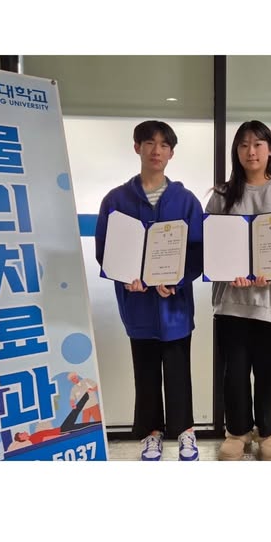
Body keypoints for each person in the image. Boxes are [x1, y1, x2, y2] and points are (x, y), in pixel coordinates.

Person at [95, 120, 203, 461]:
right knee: (145, 372)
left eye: (164, 145)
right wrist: (125, 276)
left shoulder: (186, 201)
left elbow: (198, 252)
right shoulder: (116, 200)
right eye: (149, 143)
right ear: (137, 147)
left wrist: (178, 280)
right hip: (138, 303)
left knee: (178, 370)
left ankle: (185, 431)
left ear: (171, 153)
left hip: (175, 306)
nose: (156, 150)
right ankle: (151, 433)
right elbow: (105, 249)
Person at [205, 120, 271, 461]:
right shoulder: (222, 195)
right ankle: (237, 432)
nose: (251, 151)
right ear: (236, 151)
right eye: (244, 145)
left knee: (268, 373)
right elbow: (211, 245)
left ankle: (268, 432)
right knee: (233, 374)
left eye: (258, 144)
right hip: (232, 303)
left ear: (270, 149)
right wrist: (226, 270)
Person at [9, 393, 99, 449]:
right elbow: (46, 439)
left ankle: (86, 395)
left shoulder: (33, 436)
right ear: (22, 439)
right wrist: (63, 435)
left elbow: (47, 434)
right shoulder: (33, 439)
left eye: (21, 433)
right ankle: (99, 423)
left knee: (75, 412)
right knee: (84, 426)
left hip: (61, 428)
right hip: (62, 431)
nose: (23, 432)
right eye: (21, 434)